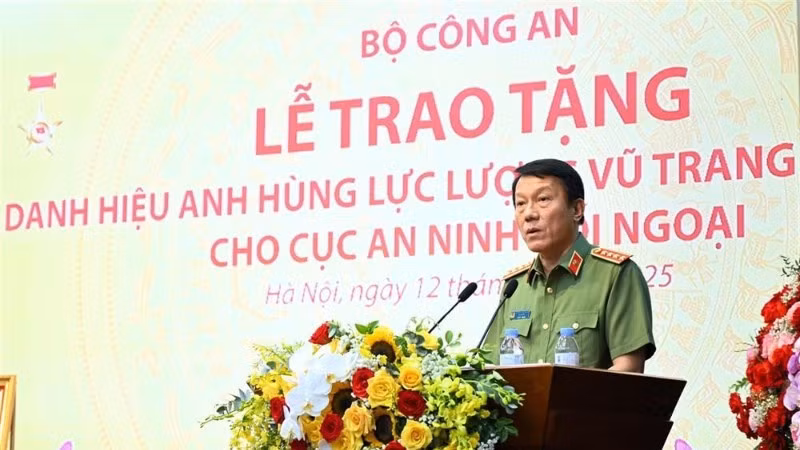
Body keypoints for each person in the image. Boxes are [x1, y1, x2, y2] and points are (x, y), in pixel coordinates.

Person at [482, 159, 656, 373]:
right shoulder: (514, 287)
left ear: (577, 209)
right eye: (520, 204)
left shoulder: (615, 274)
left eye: (543, 199)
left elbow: (628, 368)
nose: (529, 214)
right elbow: (490, 370)